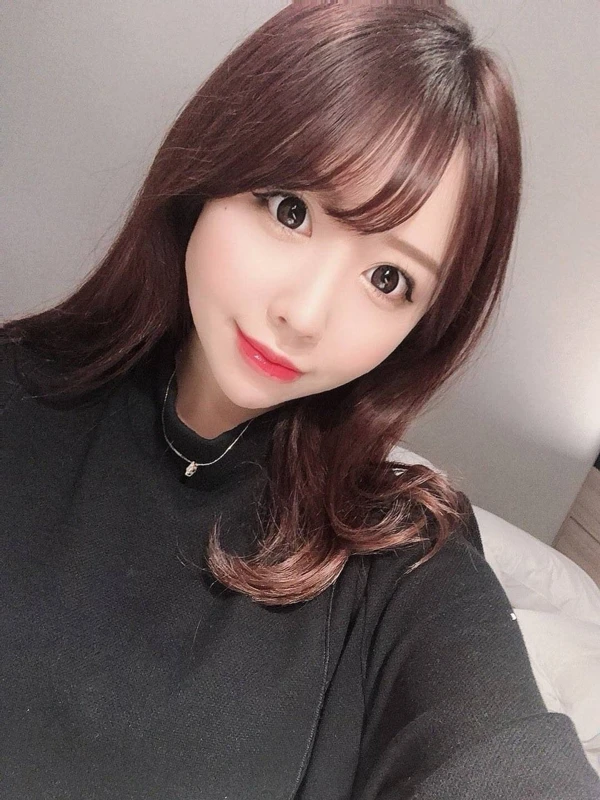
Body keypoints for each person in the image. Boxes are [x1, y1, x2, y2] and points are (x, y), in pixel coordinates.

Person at [1, 1, 598, 798]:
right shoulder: (19, 388)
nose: (305, 315)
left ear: (423, 327)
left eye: (388, 278)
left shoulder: (403, 559)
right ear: (210, 175)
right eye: (292, 210)